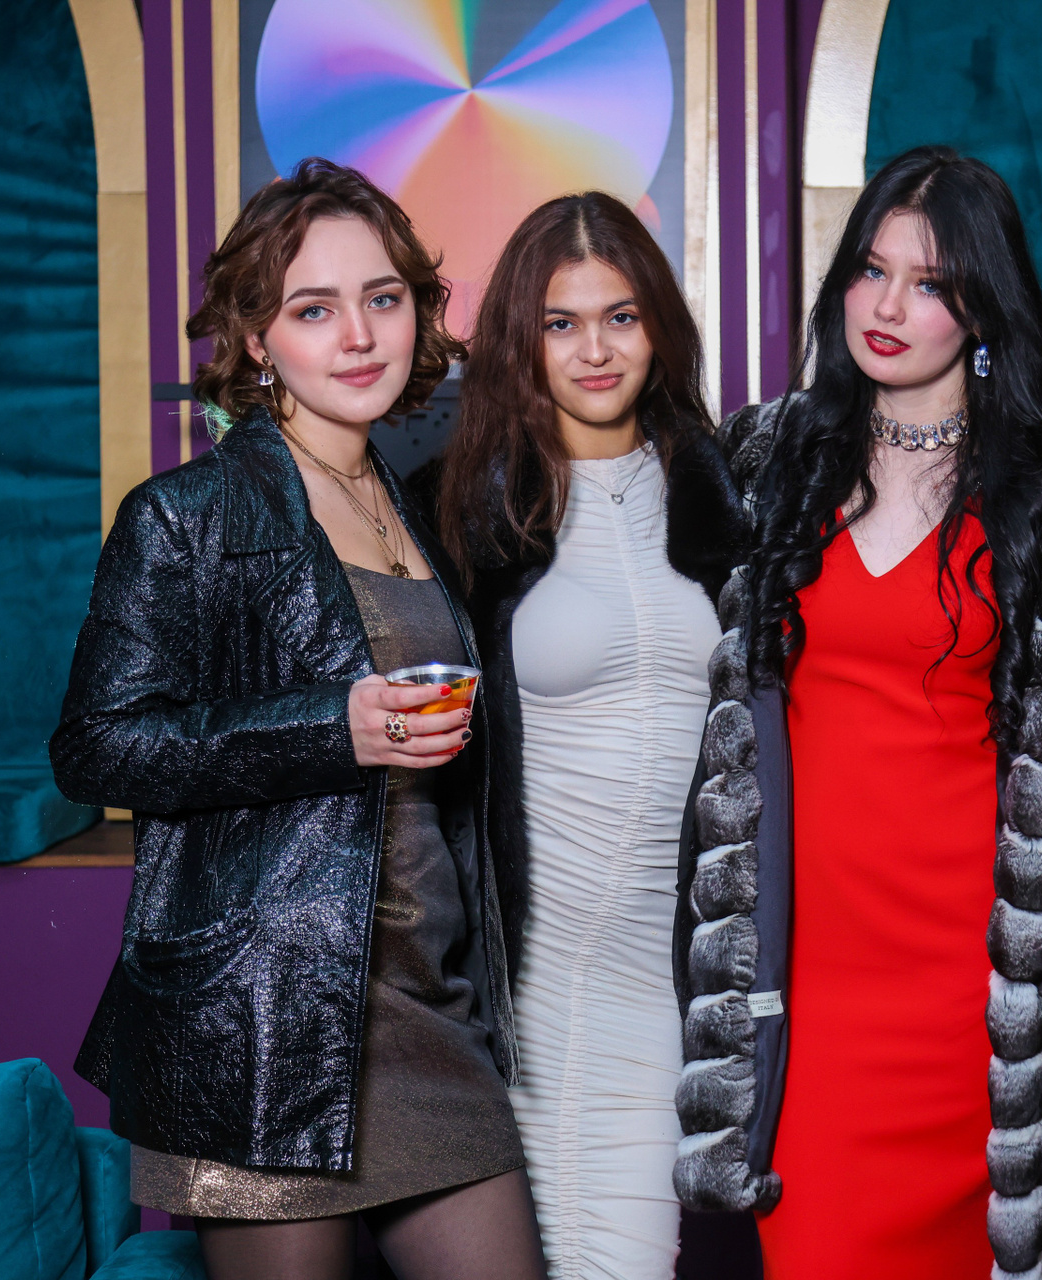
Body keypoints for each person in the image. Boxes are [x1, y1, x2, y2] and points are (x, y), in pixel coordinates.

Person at [51, 158, 544, 1280]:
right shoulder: (186, 513)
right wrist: (332, 728)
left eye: (383, 297)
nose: (359, 335)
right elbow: (95, 746)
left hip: (429, 1007)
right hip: (265, 1024)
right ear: (256, 338)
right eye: (314, 309)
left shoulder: (414, 510)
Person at [670, 145, 1042, 1280]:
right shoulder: (769, 459)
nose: (885, 306)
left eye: (929, 284)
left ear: (982, 310)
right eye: (871, 270)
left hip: (971, 992)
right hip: (805, 983)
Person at [433, 192, 746, 1279]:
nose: (595, 350)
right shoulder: (463, 512)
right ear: (521, 341)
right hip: (523, 993)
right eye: (560, 324)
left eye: (621, 316)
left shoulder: (728, 492)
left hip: (666, 989)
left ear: (659, 323)